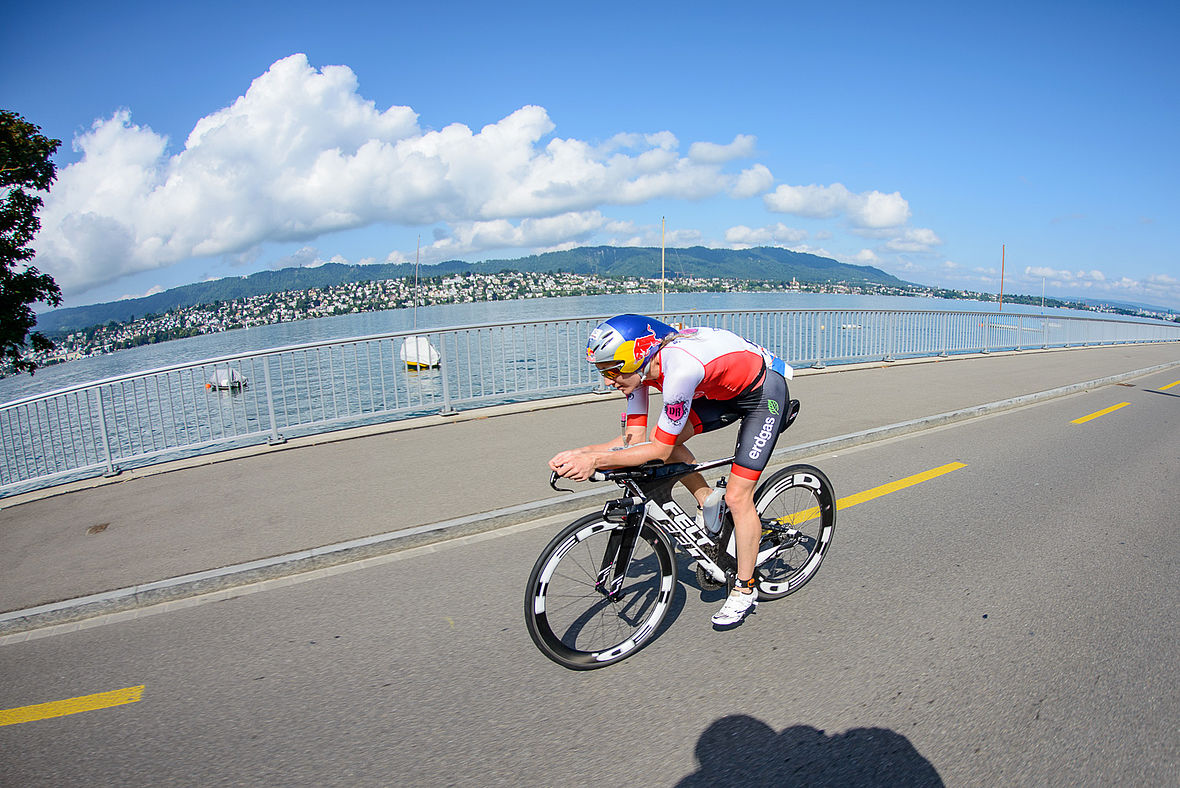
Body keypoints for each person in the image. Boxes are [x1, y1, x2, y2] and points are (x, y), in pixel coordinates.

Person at [549, 314, 793, 628]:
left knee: (737, 496)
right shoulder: (638, 373)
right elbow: (634, 440)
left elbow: (659, 451)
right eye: (602, 372)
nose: (608, 381)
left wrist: (595, 462)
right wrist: (582, 452)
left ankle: (744, 589)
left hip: (762, 396)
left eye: (611, 371)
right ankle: (707, 500)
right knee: (658, 439)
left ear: (637, 355)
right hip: (721, 394)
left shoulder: (680, 369)